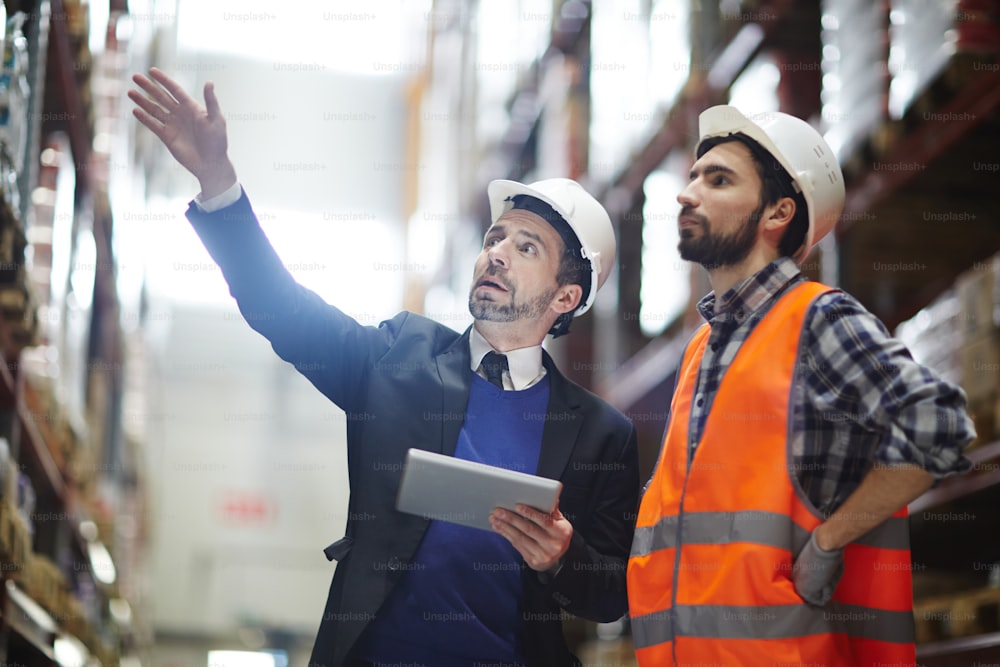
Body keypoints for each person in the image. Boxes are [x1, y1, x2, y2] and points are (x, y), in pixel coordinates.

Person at [128, 68, 639, 667]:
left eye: (526, 247)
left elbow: (613, 594)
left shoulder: (602, 433)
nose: (495, 252)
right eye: (495, 238)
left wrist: (561, 555)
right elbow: (283, 310)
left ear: (565, 298)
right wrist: (217, 180)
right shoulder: (401, 356)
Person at [626, 105, 976, 666]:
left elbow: (939, 425)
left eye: (718, 179)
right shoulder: (701, 349)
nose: (687, 194)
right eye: (692, 177)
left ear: (777, 213)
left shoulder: (816, 320)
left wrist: (828, 542)